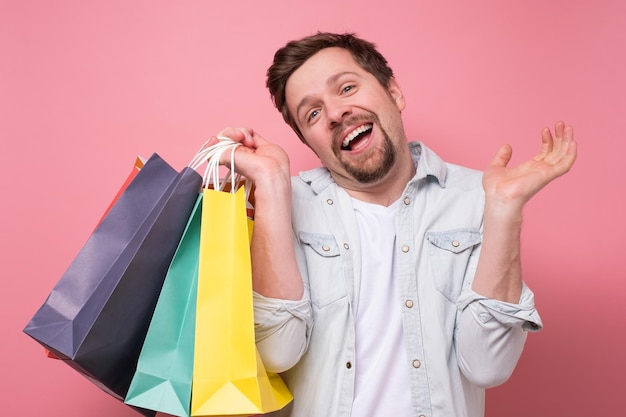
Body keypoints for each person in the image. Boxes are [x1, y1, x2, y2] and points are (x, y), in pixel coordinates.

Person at [212, 32, 577, 417]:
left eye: (347, 87)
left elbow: (488, 365)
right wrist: (270, 183)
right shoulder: (283, 203)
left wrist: (504, 210)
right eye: (313, 114)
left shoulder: (480, 196)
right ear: (309, 142)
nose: (335, 113)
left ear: (394, 93)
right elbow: (279, 352)